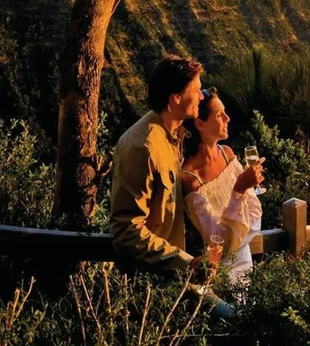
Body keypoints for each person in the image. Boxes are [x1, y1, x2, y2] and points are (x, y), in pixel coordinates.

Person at [110, 55, 205, 274]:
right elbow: (127, 229)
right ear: (176, 98)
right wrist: (184, 262)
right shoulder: (142, 147)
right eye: (196, 90)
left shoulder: (175, 136)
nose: (201, 96)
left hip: (174, 272)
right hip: (151, 278)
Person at [180, 88, 264, 285]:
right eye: (219, 114)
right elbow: (217, 243)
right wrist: (240, 189)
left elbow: (254, 216)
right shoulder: (191, 178)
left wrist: (246, 187)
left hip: (245, 258)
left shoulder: (227, 153)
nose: (227, 118)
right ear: (200, 123)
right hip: (222, 272)